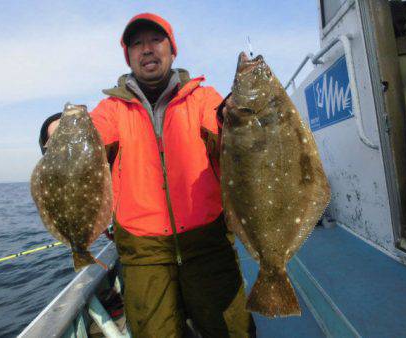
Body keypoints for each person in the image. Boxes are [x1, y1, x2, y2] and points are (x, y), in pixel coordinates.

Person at [39, 13, 256, 338]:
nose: (147, 49)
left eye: (155, 40)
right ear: (129, 56)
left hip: (209, 245)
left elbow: (225, 129)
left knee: (232, 331)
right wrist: (57, 131)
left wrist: (234, 114)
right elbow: (91, 140)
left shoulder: (202, 98)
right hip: (143, 256)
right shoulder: (111, 110)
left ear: (172, 49)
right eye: (137, 44)